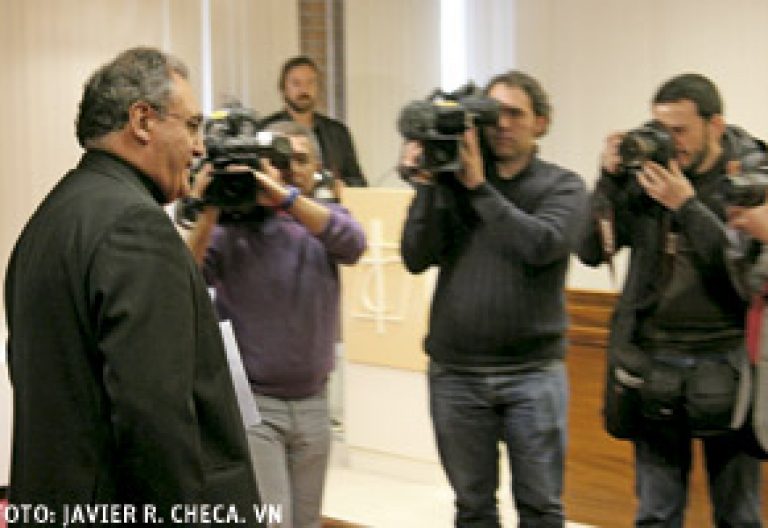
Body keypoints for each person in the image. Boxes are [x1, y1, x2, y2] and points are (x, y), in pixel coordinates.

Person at [4, 47, 264, 525]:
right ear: (142, 120)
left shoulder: (49, 220)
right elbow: (155, 421)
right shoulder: (135, 228)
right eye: (191, 125)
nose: (200, 146)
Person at [400, 70, 587, 528]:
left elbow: (540, 245)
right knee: (473, 507)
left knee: (541, 508)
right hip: (456, 374)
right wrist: (429, 183)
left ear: (541, 123)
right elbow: (416, 257)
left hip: (532, 375)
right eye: (492, 113)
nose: (502, 124)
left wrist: (479, 188)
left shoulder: (563, 187)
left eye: (515, 114)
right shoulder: (451, 182)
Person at [577, 73, 764, 527]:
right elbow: (589, 250)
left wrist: (687, 206)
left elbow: (743, 275)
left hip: (729, 363)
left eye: (679, 130)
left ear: (715, 125)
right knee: (657, 514)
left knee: (738, 516)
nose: (668, 141)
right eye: (660, 128)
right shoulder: (646, 177)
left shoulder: (750, 182)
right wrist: (607, 180)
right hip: (653, 361)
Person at [186, 120, 367, 528]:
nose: (290, 168)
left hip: (315, 402)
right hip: (254, 405)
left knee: (305, 521)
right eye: (278, 161)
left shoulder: (323, 220)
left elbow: (354, 244)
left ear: (315, 167)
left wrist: (286, 199)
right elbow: (183, 277)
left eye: (299, 159)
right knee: (273, 521)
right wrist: (212, 205)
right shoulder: (230, 232)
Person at [259, 55, 367, 187]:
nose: (304, 90)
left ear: (318, 88)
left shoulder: (338, 132)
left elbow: (358, 182)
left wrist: (341, 185)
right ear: (283, 89)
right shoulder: (266, 129)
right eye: (296, 83)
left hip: (329, 204)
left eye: (310, 82)